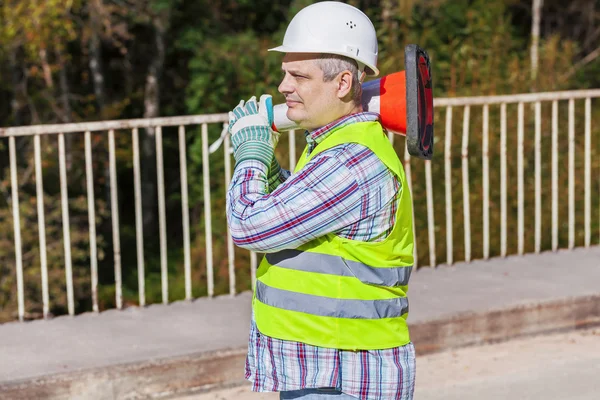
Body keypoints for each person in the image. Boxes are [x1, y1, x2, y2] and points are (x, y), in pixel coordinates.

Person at [226, 2, 415, 399]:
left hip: (341, 374)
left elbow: (248, 227)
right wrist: (270, 166)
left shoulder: (351, 161)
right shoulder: (335, 147)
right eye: (284, 74)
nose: (283, 87)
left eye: (298, 76)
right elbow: (296, 213)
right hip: (326, 368)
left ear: (344, 83)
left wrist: (251, 154)